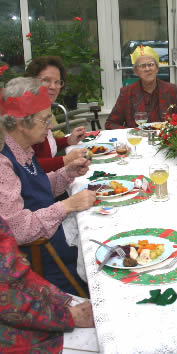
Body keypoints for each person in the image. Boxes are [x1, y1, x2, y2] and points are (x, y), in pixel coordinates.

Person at [0, 77, 96, 295]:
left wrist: (66, 174)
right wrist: (67, 205)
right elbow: (18, 230)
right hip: (43, 260)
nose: (51, 126)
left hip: (55, 242)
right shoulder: (3, 164)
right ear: (21, 123)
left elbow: (34, 191)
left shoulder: (23, 149)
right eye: (45, 120)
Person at [0, 216, 95, 352]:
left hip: (30, 307)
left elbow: (17, 270)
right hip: (16, 336)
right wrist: (70, 316)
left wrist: (59, 299)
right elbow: (7, 302)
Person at [25, 56, 88, 173]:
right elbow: (27, 167)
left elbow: (47, 148)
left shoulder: (42, 108)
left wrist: (68, 141)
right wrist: (66, 159)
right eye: (46, 80)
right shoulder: (25, 116)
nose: (53, 87)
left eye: (57, 82)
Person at [105, 45, 177, 129]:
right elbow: (110, 123)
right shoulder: (127, 93)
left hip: (165, 139)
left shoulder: (171, 90)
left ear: (157, 69)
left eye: (151, 65)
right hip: (138, 139)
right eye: (143, 66)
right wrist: (131, 132)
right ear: (136, 71)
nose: (147, 69)